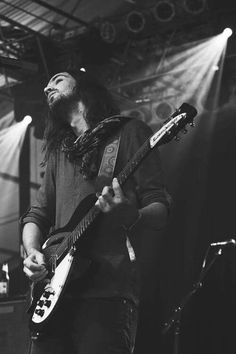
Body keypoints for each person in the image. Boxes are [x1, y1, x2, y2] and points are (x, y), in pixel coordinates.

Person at [21, 69, 171, 354]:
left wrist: (132, 215)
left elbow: (160, 207)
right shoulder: (59, 153)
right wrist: (31, 252)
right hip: (53, 292)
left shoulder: (128, 132)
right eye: (46, 84)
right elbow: (37, 214)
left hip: (106, 290)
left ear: (83, 85)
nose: (46, 87)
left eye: (58, 79)